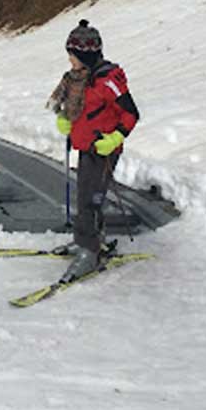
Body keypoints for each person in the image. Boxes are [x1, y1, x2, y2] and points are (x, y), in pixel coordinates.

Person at [49, 20, 139, 283]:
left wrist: (114, 138)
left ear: (86, 55)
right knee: (86, 195)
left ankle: (89, 251)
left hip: (103, 149)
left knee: (90, 199)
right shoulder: (79, 79)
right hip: (86, 146)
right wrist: (66, 121)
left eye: (73, 55)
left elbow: (131, 113)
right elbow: (82, 109)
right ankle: (89, 240)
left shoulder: (107, 81)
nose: (69, 60)